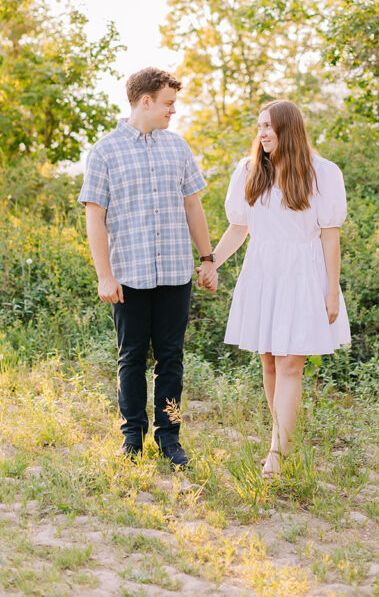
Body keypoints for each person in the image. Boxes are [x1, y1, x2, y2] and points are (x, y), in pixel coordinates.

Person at [78, 67, 216, 468]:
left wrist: (207, 259)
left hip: (176, 273)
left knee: (171, 358)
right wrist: (105, 274)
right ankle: (132, 438)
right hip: (129, 275)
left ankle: (169, 438)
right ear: (146, 101)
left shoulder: (178, 147)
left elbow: (193, 205)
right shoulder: (105, 151)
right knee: (132, 357)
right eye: (169, 103)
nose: (174, 111)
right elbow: (95, 217)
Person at [208, 100, 350, 478]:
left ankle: (278, 454)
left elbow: (330, 237)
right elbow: (239, 228)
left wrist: (332, 291)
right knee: (269, 361)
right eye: (260, 127)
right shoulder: (250, 171)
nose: (263, 134)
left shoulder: (322, 173)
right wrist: (210, 262)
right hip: (263, 272)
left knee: (291, 364)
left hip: (304, 274)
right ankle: (282, 440)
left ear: (289, 128)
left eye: (269, 126)